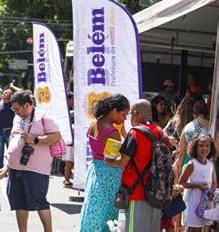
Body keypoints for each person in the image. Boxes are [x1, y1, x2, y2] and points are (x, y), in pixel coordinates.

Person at [106, 99, 169, 231]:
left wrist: (111, 162)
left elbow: (123, 161)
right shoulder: (162, 134)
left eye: (130, 115)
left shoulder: (135, 133)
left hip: (137, 192)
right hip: (157, 193)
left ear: (136, 114)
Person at [6, 91, 61, 232]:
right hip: (16, 167)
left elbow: (56, 137)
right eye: (13, 109)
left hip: (36, 169)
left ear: (27, 105)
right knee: (19, 203)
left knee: (40, 202)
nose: (15, 112)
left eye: (17, 109)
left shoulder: (44, 116)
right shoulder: (17, 118)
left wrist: (35, 140)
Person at [79, 94, 130, 232]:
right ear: (114, 111)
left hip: (95, 170)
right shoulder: (111, 132)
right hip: (108, 175)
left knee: (93, 210)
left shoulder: (94, 124)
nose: (125, 118)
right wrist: (125, 134)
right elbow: (119, 157)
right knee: (105, 215)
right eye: (124, 114)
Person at [179, 134, 217, 232]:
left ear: (211, 148)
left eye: (207, 146)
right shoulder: (192, 164)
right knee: (194, 227)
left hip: (205, 200)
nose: (204, 148)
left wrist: (211, 191)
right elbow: (181, 182)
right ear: (195, 147)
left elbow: (214, 183)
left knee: (202, 226)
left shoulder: (211, 164)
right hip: (193, 200)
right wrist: (197, 185)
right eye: (201, 145)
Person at [176, 99, 210, 175]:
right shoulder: (212, 127)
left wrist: (179, 173)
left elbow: (181, 154)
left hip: (190, 166)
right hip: (207, 166)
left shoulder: (187, 127)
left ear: (194, 114)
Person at [0, 89, 15, 168]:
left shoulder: (14, 106)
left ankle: (11, 167)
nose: (6, 94)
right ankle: (0, 167)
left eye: (8, 93)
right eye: (5, 92)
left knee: (11, 151)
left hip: (10, 131)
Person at [63, 91, 75, 187]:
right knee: (69, 163)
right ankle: (66, 180)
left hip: (74, 143)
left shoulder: (71, 109)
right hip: (70, 143)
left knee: (71, 163)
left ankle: (67, 179)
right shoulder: (66, 111)